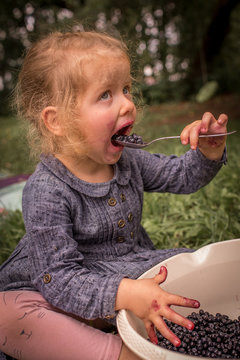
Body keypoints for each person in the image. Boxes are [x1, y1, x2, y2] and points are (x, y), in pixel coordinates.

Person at [0, 30, 228, 360]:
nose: (128, 104)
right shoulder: (45, 191)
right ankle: (121, 352)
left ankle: (118, 325)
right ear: (58, 120)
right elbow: (58, 278)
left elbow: (180, 176)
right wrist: (125, 293)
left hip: (131, 273)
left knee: (194, 272)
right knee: (9, 316)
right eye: (106, 95)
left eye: (125, 89)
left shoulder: (130, 160)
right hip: (47, 292)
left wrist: (206, 153)